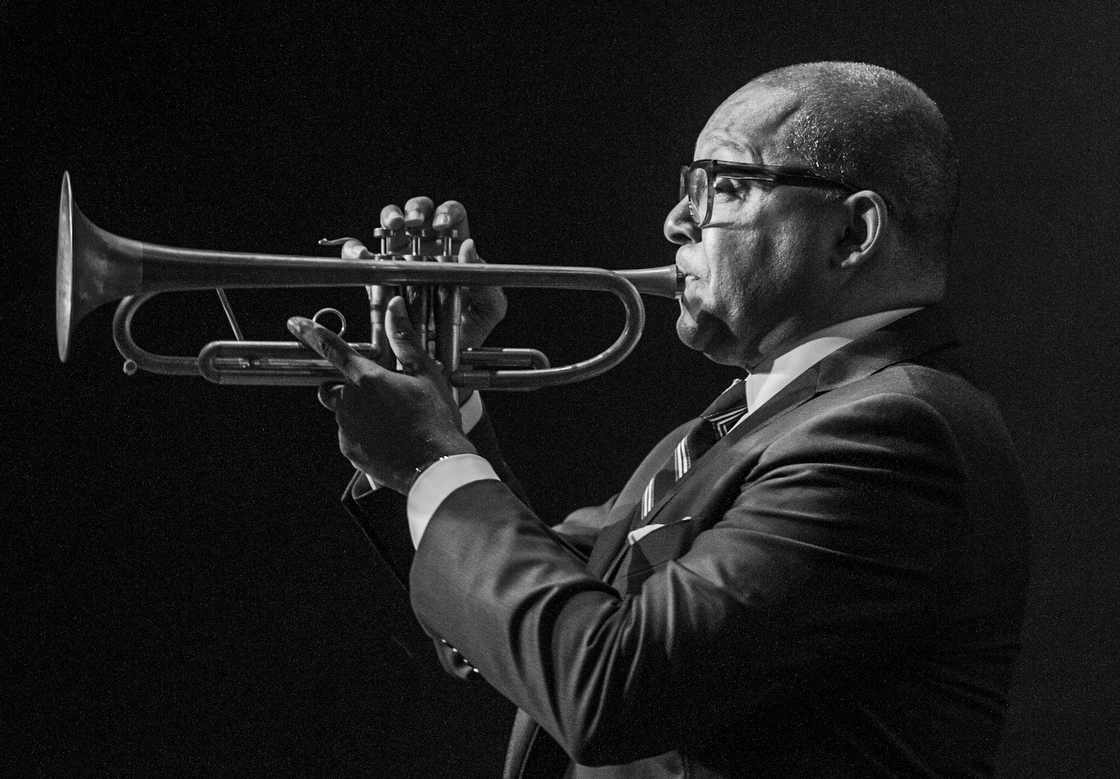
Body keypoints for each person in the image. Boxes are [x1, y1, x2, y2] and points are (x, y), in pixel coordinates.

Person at [288, 62, 1030, 778]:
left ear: (852, 233)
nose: (676, 219)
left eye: (726, 186)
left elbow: (608, 686)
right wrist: (442, 403)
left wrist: (431, 460)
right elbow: (555, 621)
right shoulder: (729, 429)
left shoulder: (893, 433)